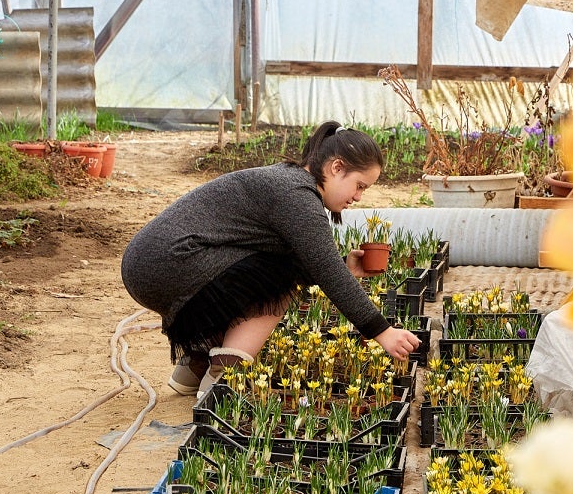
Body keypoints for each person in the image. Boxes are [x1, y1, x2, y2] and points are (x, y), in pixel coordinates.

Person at [121, 121, 421, 398]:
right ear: (336, 167)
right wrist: (383, 331)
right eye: (360, 185)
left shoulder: (287, 182)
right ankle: (224, 376)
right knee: (281, 278)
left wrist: (345, 265)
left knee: (275, 266)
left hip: (152, 264)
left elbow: (313, 262)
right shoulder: (297, 195)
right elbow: (325, 271)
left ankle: (196, 363)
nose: (358, 197)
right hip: (171, 263)